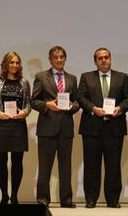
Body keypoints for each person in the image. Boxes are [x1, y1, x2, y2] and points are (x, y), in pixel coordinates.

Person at [78, 47, 128, 208]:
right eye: (100, 58)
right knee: (91, 165)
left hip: (114, 127)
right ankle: (91, 199)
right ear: (95, 61)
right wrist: (93, 108)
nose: (103, 60)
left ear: (110, 59)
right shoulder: (86, 77)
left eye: (106, 57)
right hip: (91, 127)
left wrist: (120, 108)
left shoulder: (122, 77)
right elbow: (80, 97)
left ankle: (113, 199)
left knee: (114, 165)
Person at [31, 46, 80, 208]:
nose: (59, 60)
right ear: (50, 59)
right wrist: (47, 105)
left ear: (65, 58)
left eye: (62, 57)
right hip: (47, 127)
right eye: (56, 57)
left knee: (66, 167)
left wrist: (72, 107)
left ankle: (66, 200)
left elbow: (77, 102)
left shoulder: (72, 78)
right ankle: (43, 199)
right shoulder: (41, 77)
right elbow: (33, 101)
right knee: (45, 166)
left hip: (66, 128)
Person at [0, 52, 31, 204]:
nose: (15, 65)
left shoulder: (24, 82)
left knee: (17, 162)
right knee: (1, 161)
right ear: (5, 64)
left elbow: (29, 103)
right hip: (0, 125)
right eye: (11, 62)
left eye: (17, 62)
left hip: (18, 126)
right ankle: (4, 196)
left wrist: (24, 112)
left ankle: (15, 196)